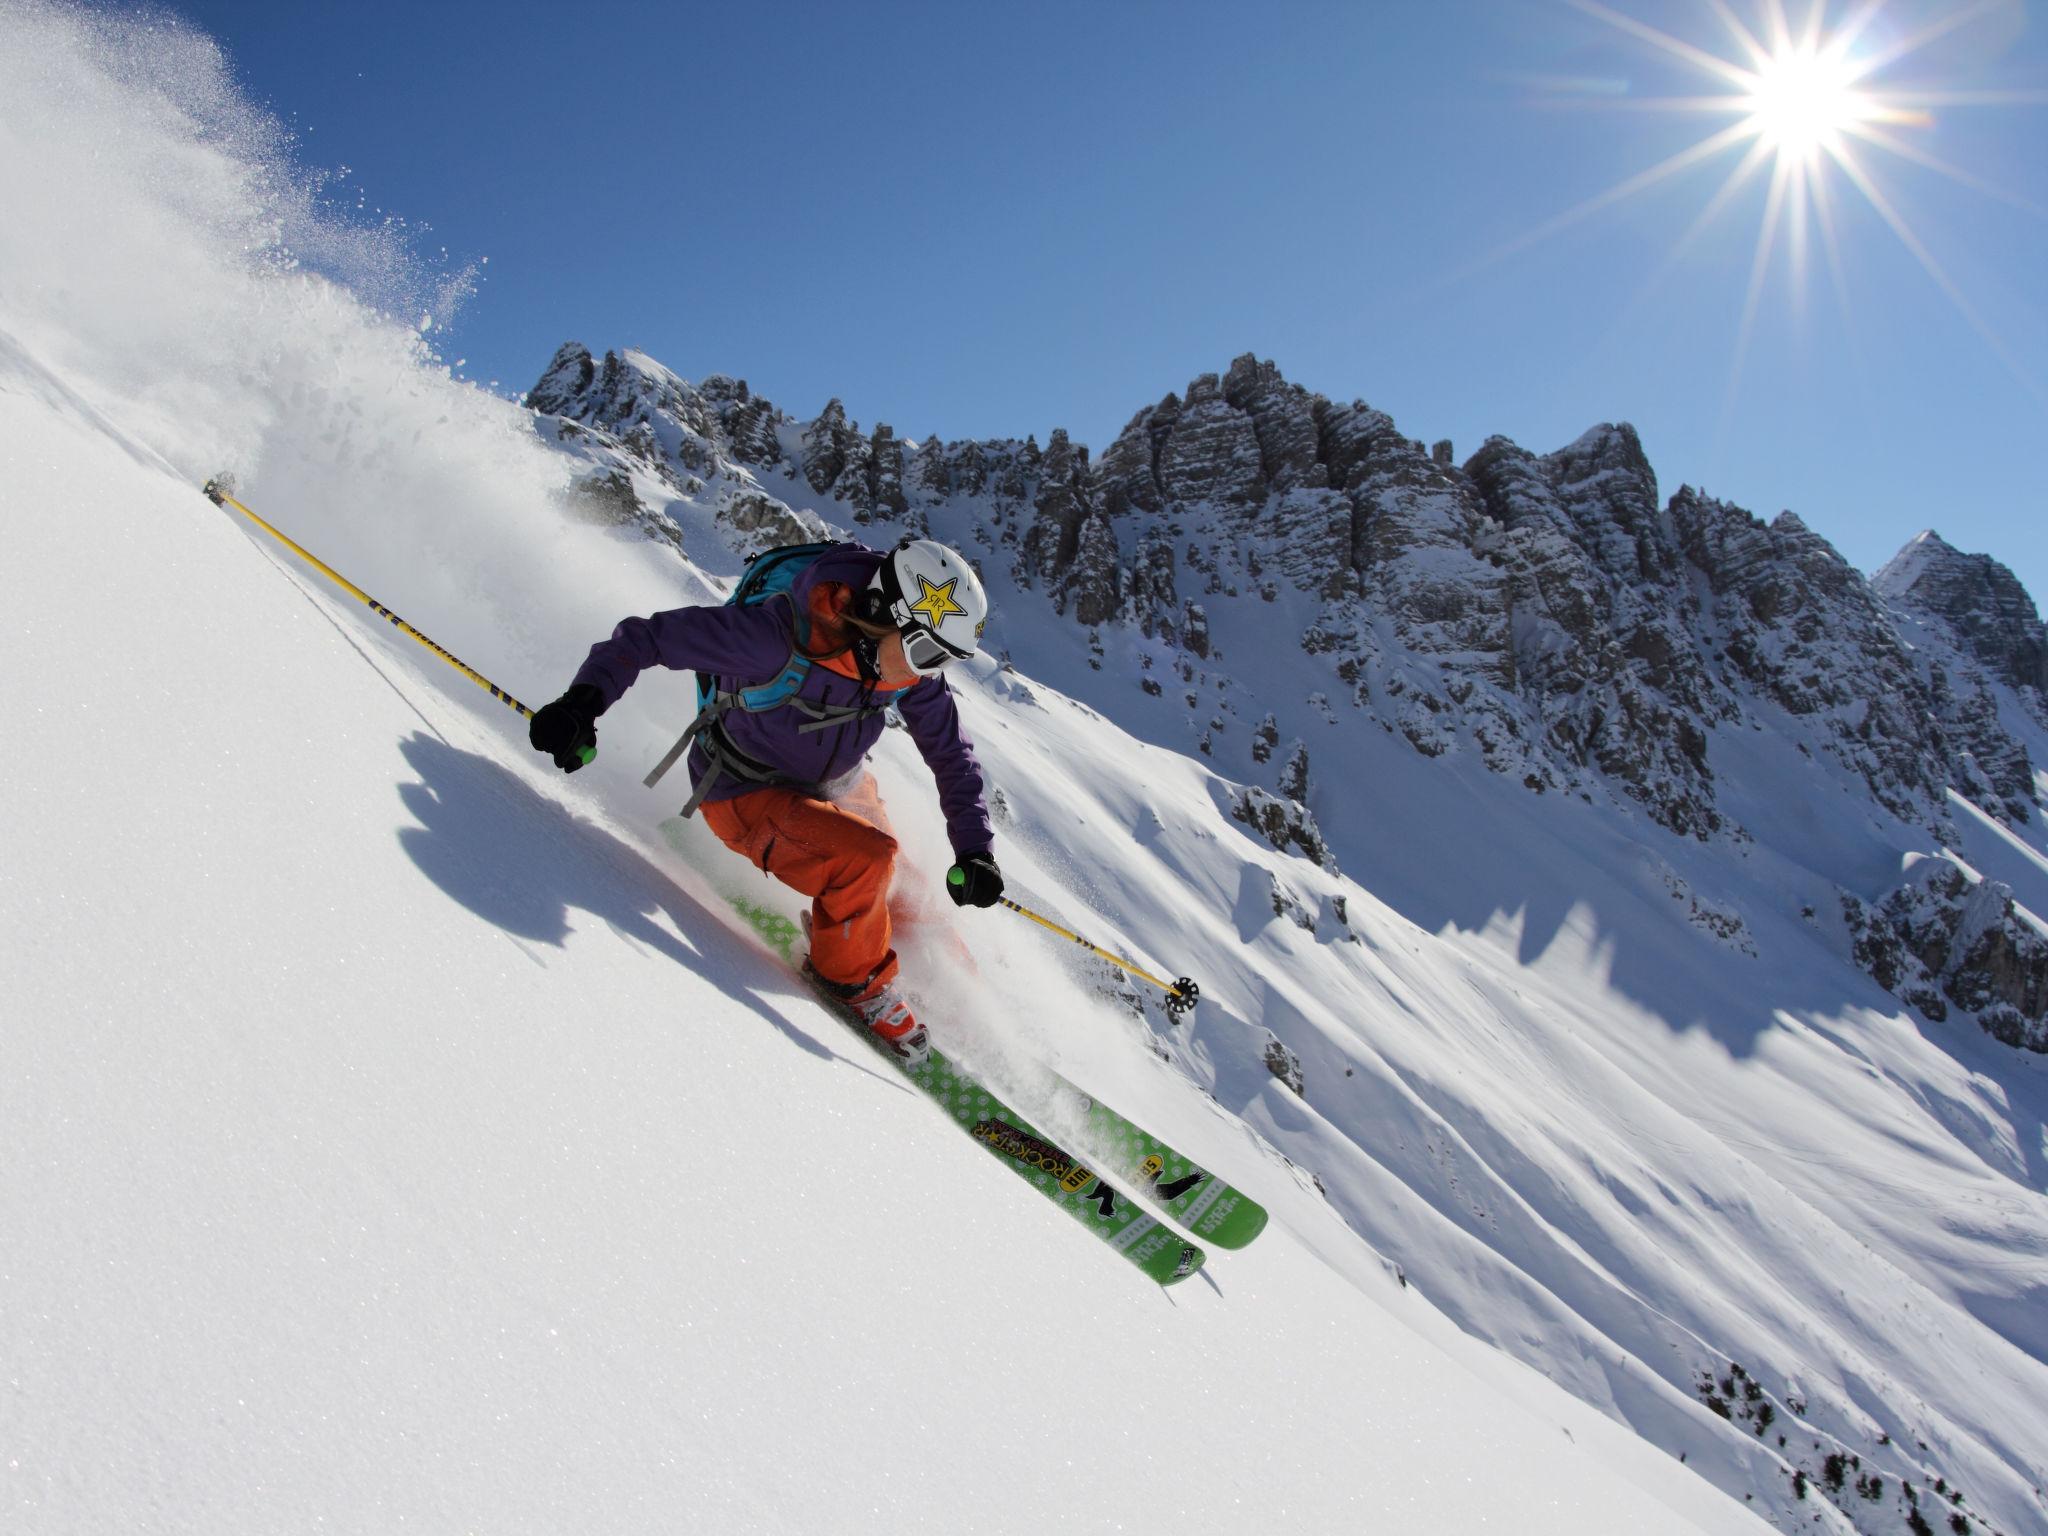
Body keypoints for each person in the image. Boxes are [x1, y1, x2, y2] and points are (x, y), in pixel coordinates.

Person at [527, 539, 1003, 1066]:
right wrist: (581, 704)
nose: (925, 674)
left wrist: (975, 849)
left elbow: (952, 757)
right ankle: (850, 981)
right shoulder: (773, 639)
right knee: (867, 860)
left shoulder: (903, 671)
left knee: (911, 892)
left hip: (833, 782)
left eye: (942, 662)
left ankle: (961, 1004)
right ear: (883, 613)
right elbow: (647, 638)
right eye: (925, 653)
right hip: (742, 790)